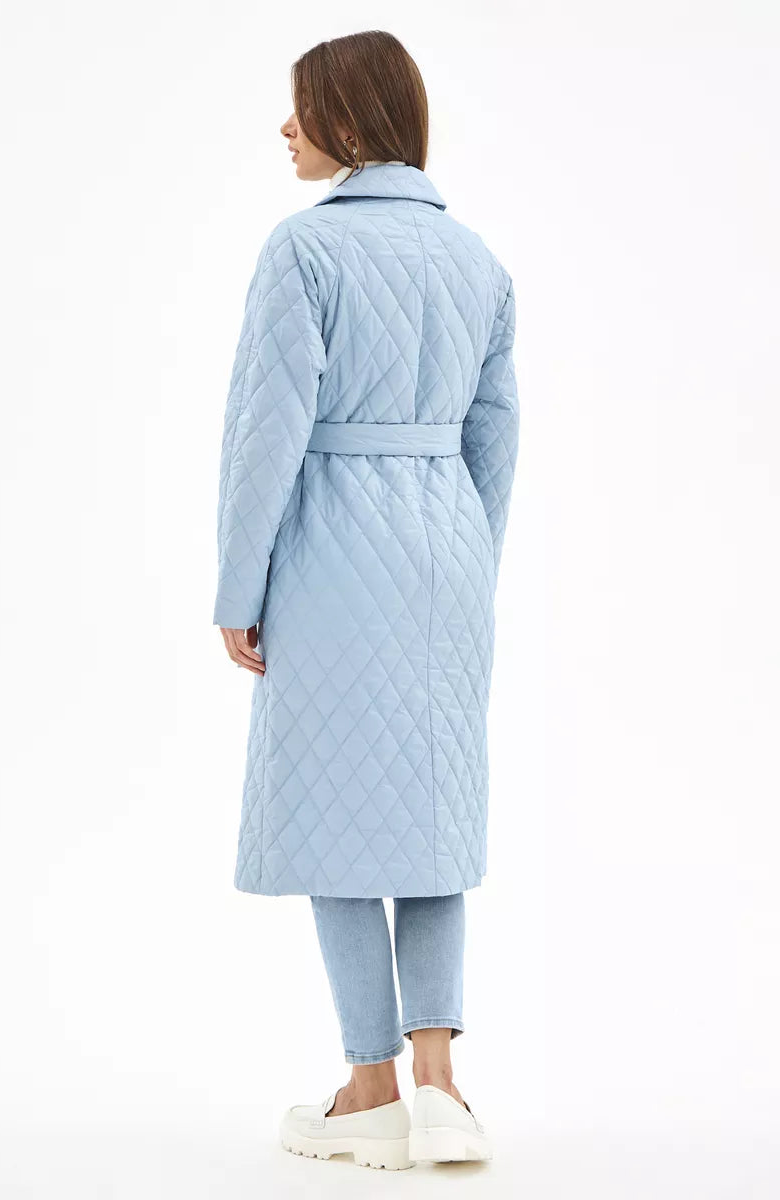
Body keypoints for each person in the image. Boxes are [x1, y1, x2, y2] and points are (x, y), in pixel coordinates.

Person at [213, 31, 519, 1170]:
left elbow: (267, 434)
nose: (286, 128)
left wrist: (239, 586)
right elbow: (497, 439)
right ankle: (442, 1088)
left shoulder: (303, 249)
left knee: (336, 816)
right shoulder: (478, 260)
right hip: (450, 553)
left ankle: (370, 1085)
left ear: (348, 119)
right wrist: (472, 563)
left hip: (333, 550)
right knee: (432, 820)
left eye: (302, 108)